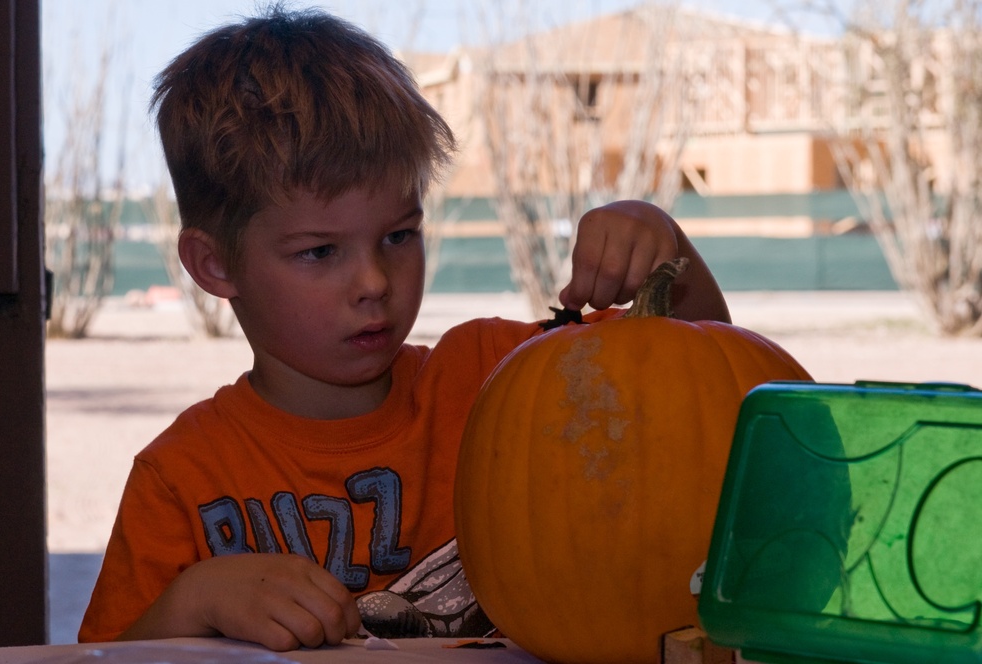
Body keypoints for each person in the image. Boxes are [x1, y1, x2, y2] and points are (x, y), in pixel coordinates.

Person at [78, 4, 732, 651]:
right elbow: (101, 653)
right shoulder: (179, 477)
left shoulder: (493, 373)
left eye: (398, 235)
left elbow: (701, 375)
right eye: (320, 252)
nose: (374, 281)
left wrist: (658, 238)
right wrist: (195, 601)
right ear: (215, 264)